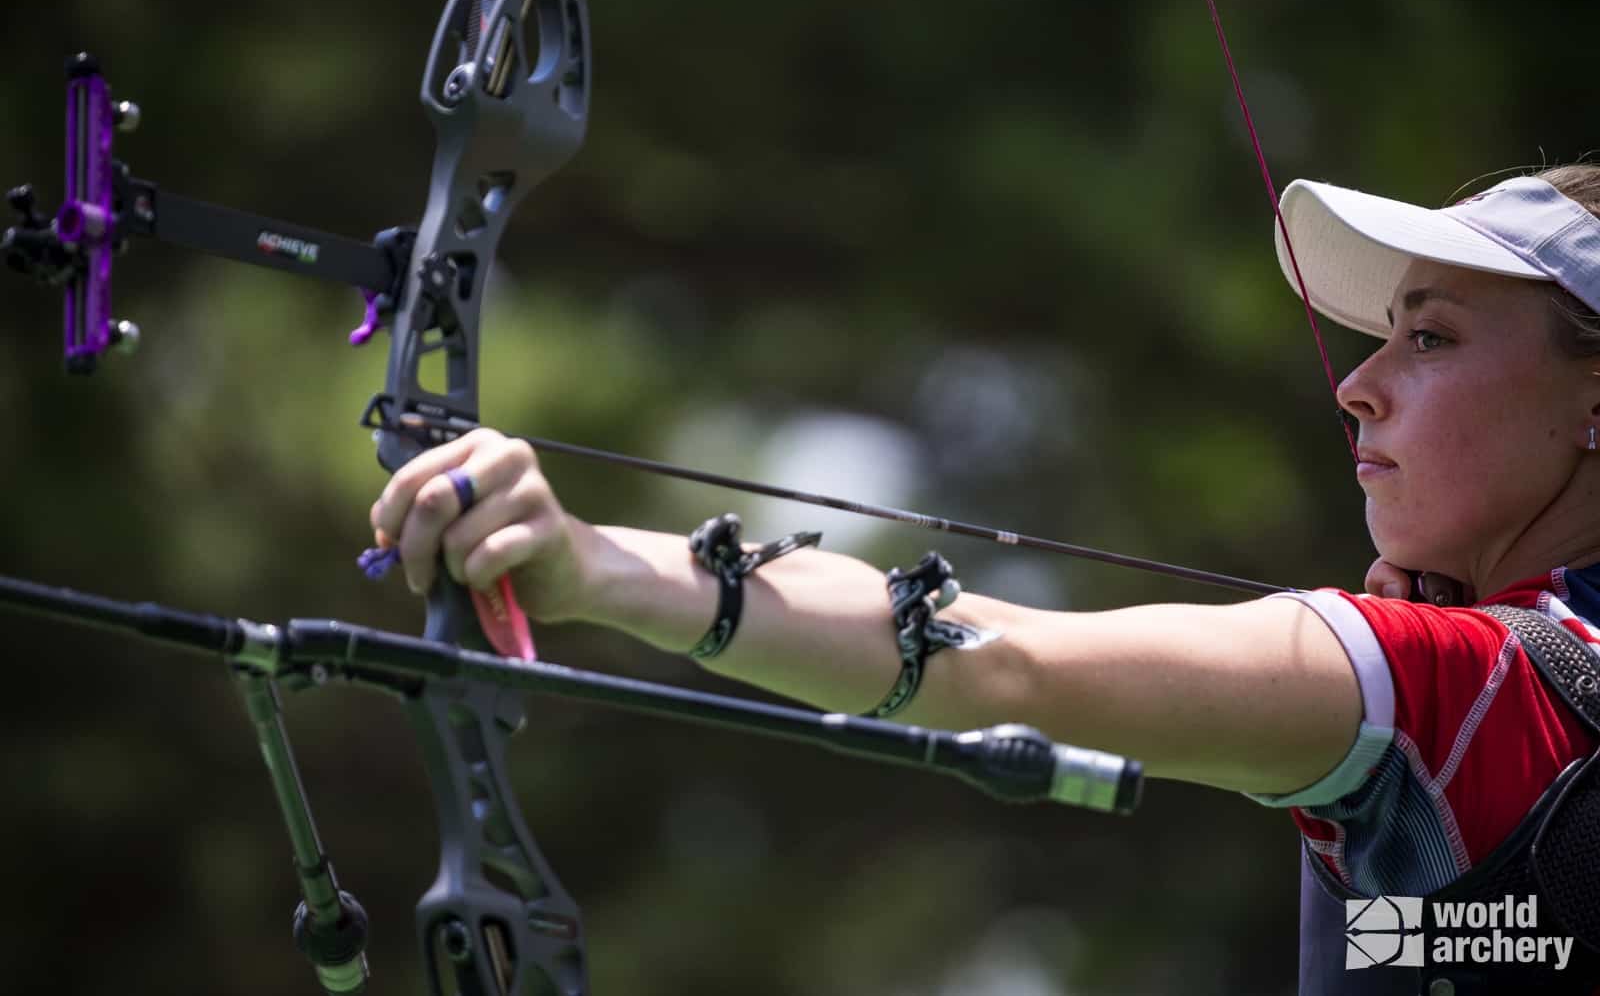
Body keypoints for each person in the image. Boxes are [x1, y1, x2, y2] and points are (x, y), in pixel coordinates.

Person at [367, 165, 1600, 994]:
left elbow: (1005, 662)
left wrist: (598, 563)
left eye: (1429, 336)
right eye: (1383, 331)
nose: (1357, 381)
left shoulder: (1464, 684)